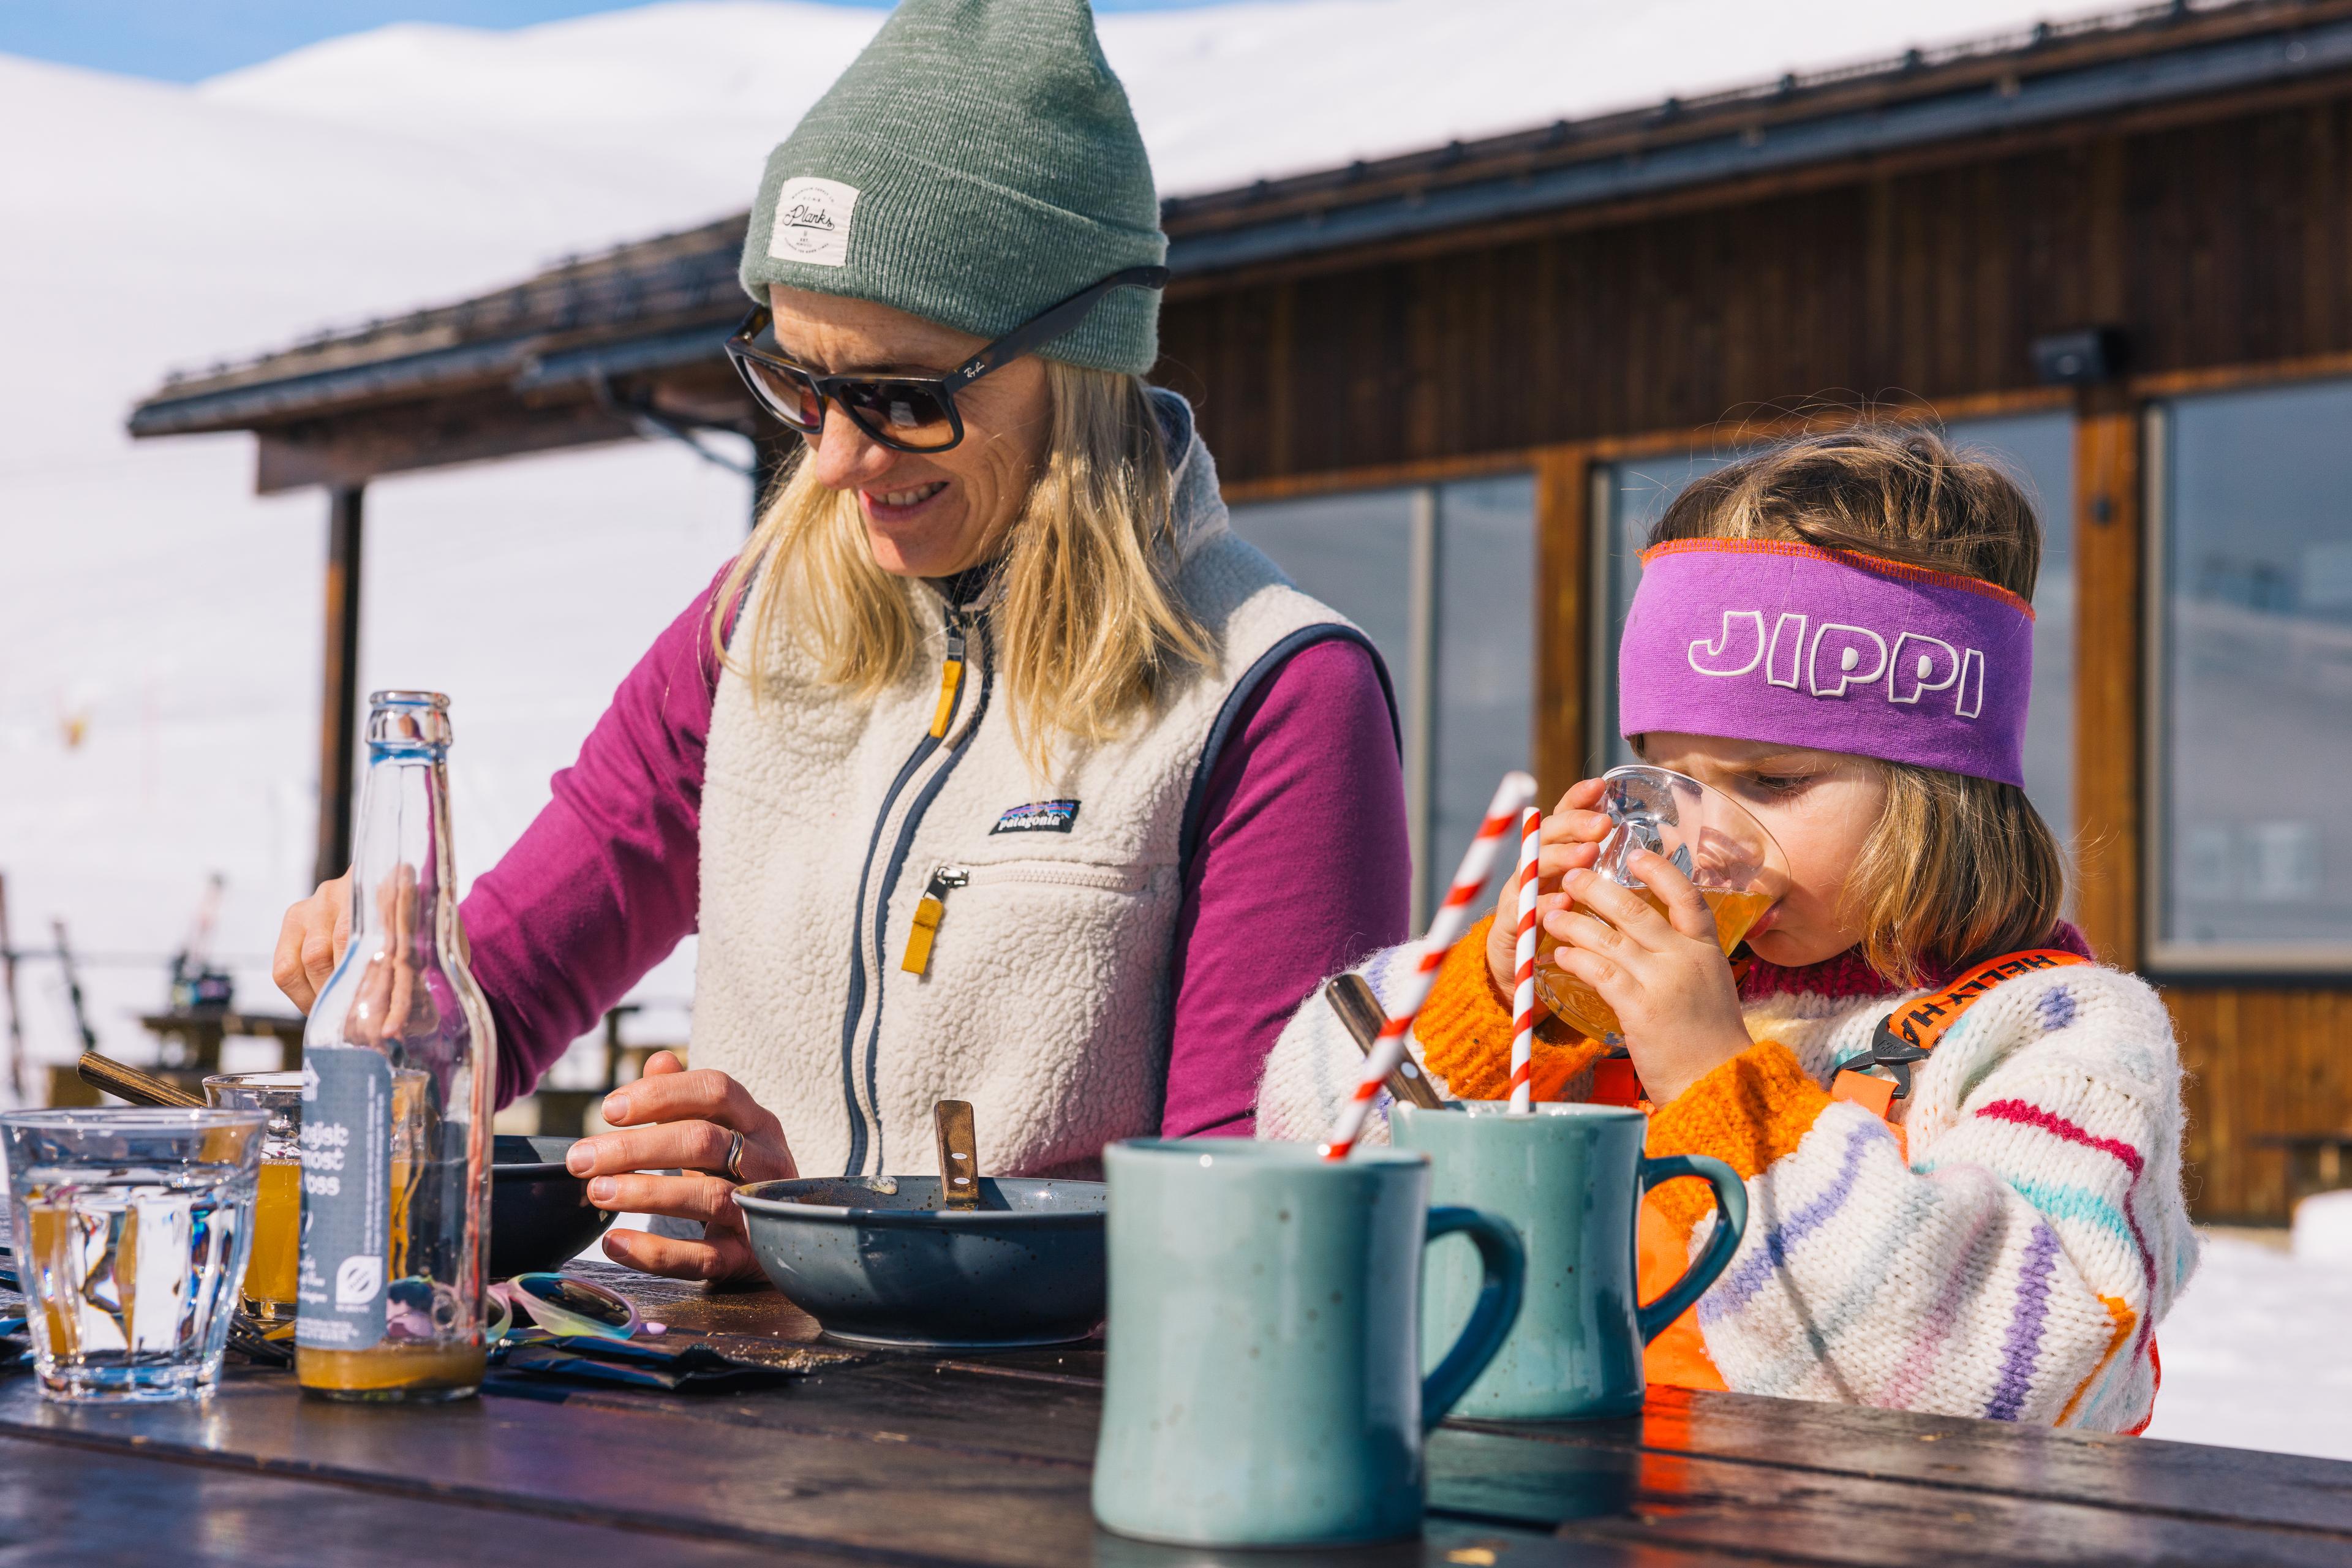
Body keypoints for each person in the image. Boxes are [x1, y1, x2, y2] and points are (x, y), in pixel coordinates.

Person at [274, 0, 1406, 1283]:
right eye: (800, 380)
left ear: (1079, 361)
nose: (837, 456)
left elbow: (1263, 1248)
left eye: (904, 397)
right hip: (733, 1440)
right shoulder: (751, 628)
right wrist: (395, 985)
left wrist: (825, 1238)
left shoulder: (1273, 694)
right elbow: (500, 1002)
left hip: (1054, 1468)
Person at [1256, 425, 2196, 1433]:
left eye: (1772, 783)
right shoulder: (1614, 994)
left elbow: (2034, 1371)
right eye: (1671, 778)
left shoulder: (2064, 1037)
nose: (1698, 843)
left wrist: (1716, 1083)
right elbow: (1300, 1165)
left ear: (1943, 789)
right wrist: (1492, 999)